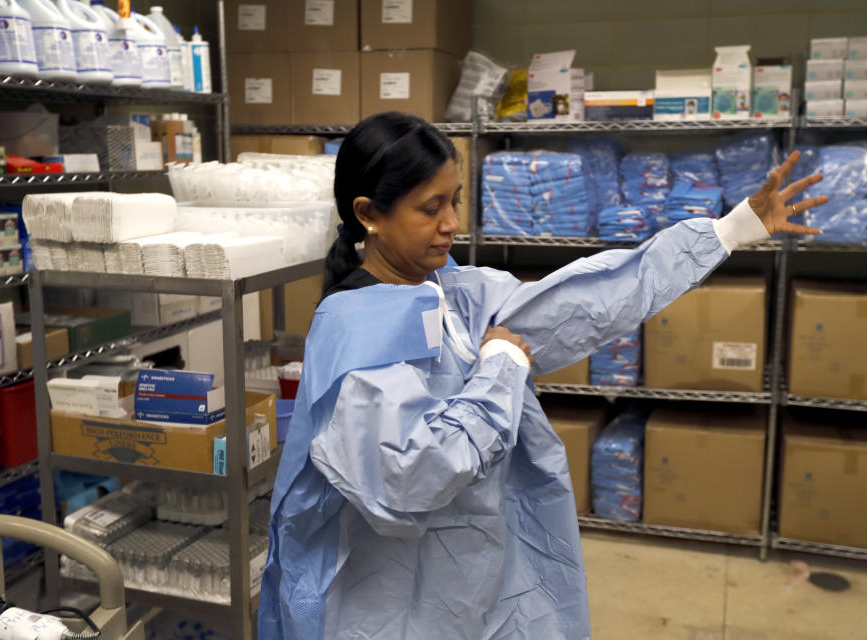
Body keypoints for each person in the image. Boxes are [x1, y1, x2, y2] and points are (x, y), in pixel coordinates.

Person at [259, 112, 826, 639]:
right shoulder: (356, 330)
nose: (452, 223)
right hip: (383, 599)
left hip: (456, 578)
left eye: (454, 201)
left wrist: (731, 231)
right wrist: (501, 369)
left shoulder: (448, 291)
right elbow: (410, 476)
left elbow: (583, 302)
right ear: (368, 214)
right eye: (430, 209)